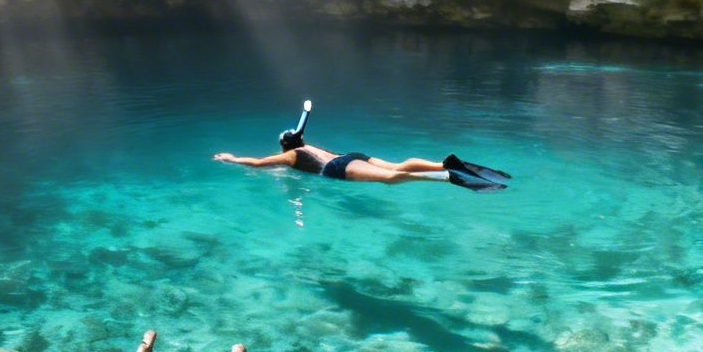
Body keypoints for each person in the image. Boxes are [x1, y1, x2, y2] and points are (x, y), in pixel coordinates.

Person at [212, 123, 510, 190]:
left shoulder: (291, 157)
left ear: (284, 146)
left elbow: (257, 163)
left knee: (390, 180)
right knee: (396, 165)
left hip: (338, 167)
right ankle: (442, 162)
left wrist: (231, 158)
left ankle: (442, 175)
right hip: (352, 154)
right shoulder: (308, 145)